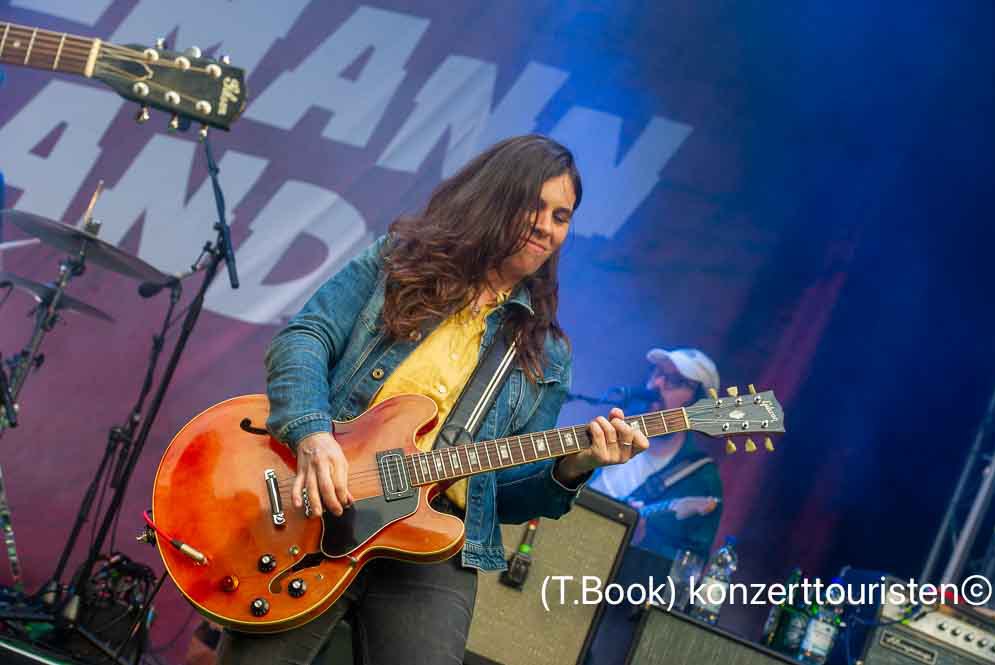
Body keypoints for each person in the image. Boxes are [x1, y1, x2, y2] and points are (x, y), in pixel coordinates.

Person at [216, 135, 650, 665]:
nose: (547, 227)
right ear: (495, 197)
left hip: (432, 540)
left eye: (561, 217)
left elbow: (504, 494)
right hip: (322, 501)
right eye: (533, 207)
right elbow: (305, 337)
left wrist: (573, 465)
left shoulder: (546, 353)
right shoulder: (398, 263)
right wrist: (312, 434)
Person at [586, 347, 723, 664]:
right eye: (657, 374)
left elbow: (688, 573)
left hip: (611, 616)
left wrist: (642, 543)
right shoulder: (611, 431)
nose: (657, 384)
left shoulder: (701, 479)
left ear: (697, 404)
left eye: (674, 381)